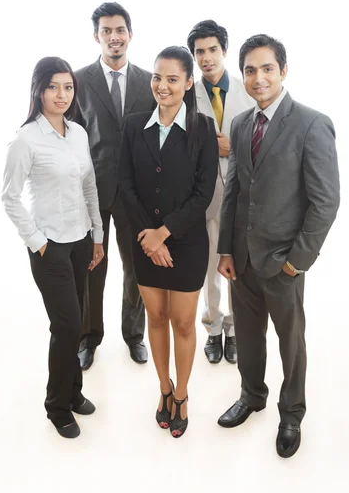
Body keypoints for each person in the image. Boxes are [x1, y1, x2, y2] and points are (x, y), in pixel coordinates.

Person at [217, 35, 340, 458]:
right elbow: (233, 191)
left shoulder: (311, 123)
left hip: (283, 260)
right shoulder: (240, 124)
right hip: (243, 258)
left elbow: (325, 201)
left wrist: (296, 262)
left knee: (291, 341)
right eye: (250, 70)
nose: (258, 77)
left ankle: (292, 413)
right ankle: (252, 396)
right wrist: (226, 251)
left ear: (283, 71)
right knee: (249, 336)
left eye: (267, 68)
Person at [2, 57, 104, 439]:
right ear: (38, 90)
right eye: (53, 87)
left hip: (80, 240)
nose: (62, 95)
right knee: (66, 326)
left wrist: (96, 236)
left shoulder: (77, 132)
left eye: (68, 87)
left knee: (75, 323)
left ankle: (74, 392)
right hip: (50, 248)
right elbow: (9, 198)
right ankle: (57, 407)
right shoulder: (26, 139)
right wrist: (38, 243)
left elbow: (89, 186)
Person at [119, 46, 218, 438]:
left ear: (189, 83)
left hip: (187, 244)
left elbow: (203, 193)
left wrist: (166, 232)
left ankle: (181, 393)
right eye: (157, 78)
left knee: (183, 322)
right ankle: (163, 388)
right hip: (144, 242)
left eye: (172, 79)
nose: (162, 86)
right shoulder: (132, 126)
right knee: (155, 318)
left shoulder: (202, 129)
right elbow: (125, 185)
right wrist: (150, 237)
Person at [74, 2, 156, 369]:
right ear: (96, 36)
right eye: (106, 30)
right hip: (91, 192)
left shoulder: (148, 81)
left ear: (130, 34)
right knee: (93, 266)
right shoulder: (77, 81)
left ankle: (133, 334)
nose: (113, 36)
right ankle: (89, 338)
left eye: (119, 29)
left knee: (136, 265)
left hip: (136, 192)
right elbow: (70, 136)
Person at [187, 19, 254, 364]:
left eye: (213, 50)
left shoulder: (248, 91)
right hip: (207, 196)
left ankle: (234, 328)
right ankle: (213, 328)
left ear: (224, 51)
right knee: (210, 266)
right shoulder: (187, 96)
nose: (207, 58)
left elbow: (264, 141)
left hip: (242, 196)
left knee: (238, 268)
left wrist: (234, 149)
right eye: (200, 52)